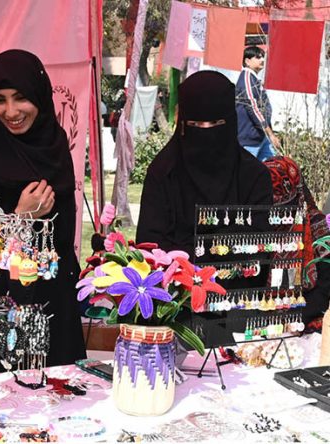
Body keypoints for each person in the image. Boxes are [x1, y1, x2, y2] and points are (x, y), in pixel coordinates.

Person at [0, 49, 86, 366]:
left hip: (55, 305)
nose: (10, 111)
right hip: (4, 311)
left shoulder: (54, 146)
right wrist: (20, 219)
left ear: (39, 97)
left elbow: (63, 237)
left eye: (20, 98)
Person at [137, 71, 274, 260]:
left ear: (231, 123)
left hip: (238, 285)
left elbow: (259, 246)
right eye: (196, 124)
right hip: (175, 285)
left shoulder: (253, 176)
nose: (206, 132)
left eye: (216, 123)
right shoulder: (164, 172)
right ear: (183, 125)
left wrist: (187, 249)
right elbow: (149, 245)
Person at [263, 156, 330, 324]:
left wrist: (289, 319)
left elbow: (323, 291)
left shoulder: (317, 229)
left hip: (305, 319)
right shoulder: (257, 226)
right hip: (260, 321)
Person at [235, 46, 279, 161]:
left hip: (261, 136)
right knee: (246, 173)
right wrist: (270, 133)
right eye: (258, 57)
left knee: (270, 170)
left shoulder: (254, 79)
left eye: (263, 57)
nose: (262, 60)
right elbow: (252, 107)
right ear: (247, 61)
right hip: (250, 137)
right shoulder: (246, 78)